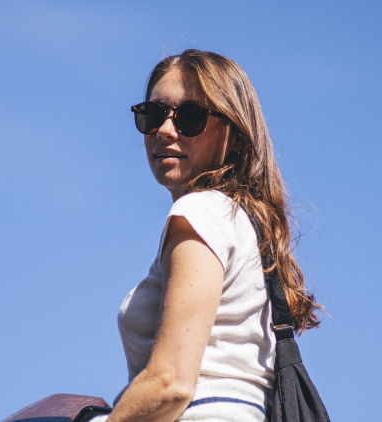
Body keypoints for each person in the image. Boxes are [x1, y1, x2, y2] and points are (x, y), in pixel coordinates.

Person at [102, 50, 321, 422]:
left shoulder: (200, 212)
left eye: (190, 117)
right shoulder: (246, 224)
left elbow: (170, 383)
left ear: (236, 135)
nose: (166, 131)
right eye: (153, 115)